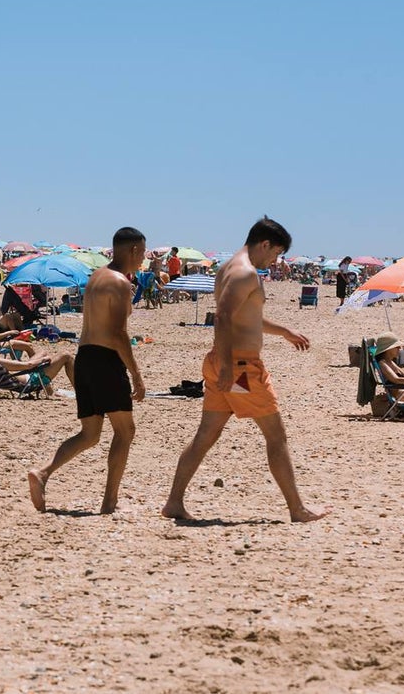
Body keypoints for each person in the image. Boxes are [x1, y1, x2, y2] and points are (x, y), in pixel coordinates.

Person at [162, 217, 326, 523]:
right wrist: (227, 365)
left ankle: (174, 502)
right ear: (264, 244)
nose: (275, 261)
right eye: (275, 253)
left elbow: (244, 318)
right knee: (276, 436)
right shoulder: (246, 273)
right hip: (238, 367)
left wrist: (284, 331)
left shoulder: (227, 269)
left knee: (205, 436)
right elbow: (223, 317)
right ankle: (297, 509)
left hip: (223, 363)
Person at [27, 227, 146, 515]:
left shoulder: (97, 277)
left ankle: (43, 473)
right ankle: (109, 501)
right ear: (132, 251)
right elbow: (119, 333)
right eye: (142, 252)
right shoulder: (119, 283)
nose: (142, 258)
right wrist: (136, 374)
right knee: (125, 430)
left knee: (90, 434)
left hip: (86, 358)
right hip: (106, 360)